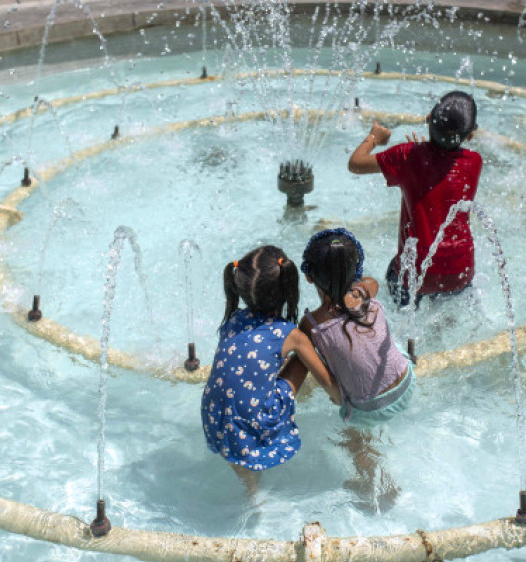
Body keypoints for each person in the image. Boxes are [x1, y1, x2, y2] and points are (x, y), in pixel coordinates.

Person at [201, 245, 338, 494]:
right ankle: (253, 467)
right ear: (288, 288)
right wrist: (341, 397)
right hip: (256, 422)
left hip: (216, 419)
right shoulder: (291, 335)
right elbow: (328, 383)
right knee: (304, 351)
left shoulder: (233, 320)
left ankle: (250, 488)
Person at [299, 228, 415, 509]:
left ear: (309, 277)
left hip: (370, 408)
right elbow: (371, 284)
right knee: (384, 340)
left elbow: (330, 387)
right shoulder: (366, 293)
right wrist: (357, 289)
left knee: (353, 441)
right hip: (406, 383)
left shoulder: (312, 325)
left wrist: (341, 401)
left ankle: (380, 485)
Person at [348, 90, 483, 306]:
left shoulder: (406, 157)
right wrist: (420, 153)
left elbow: (355, 163)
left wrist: (375, 137)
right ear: (470, 136)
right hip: (460, 273)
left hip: (416, 275)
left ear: (428, 118)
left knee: (395, 273)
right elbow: (439, 171)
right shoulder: (475, 162)